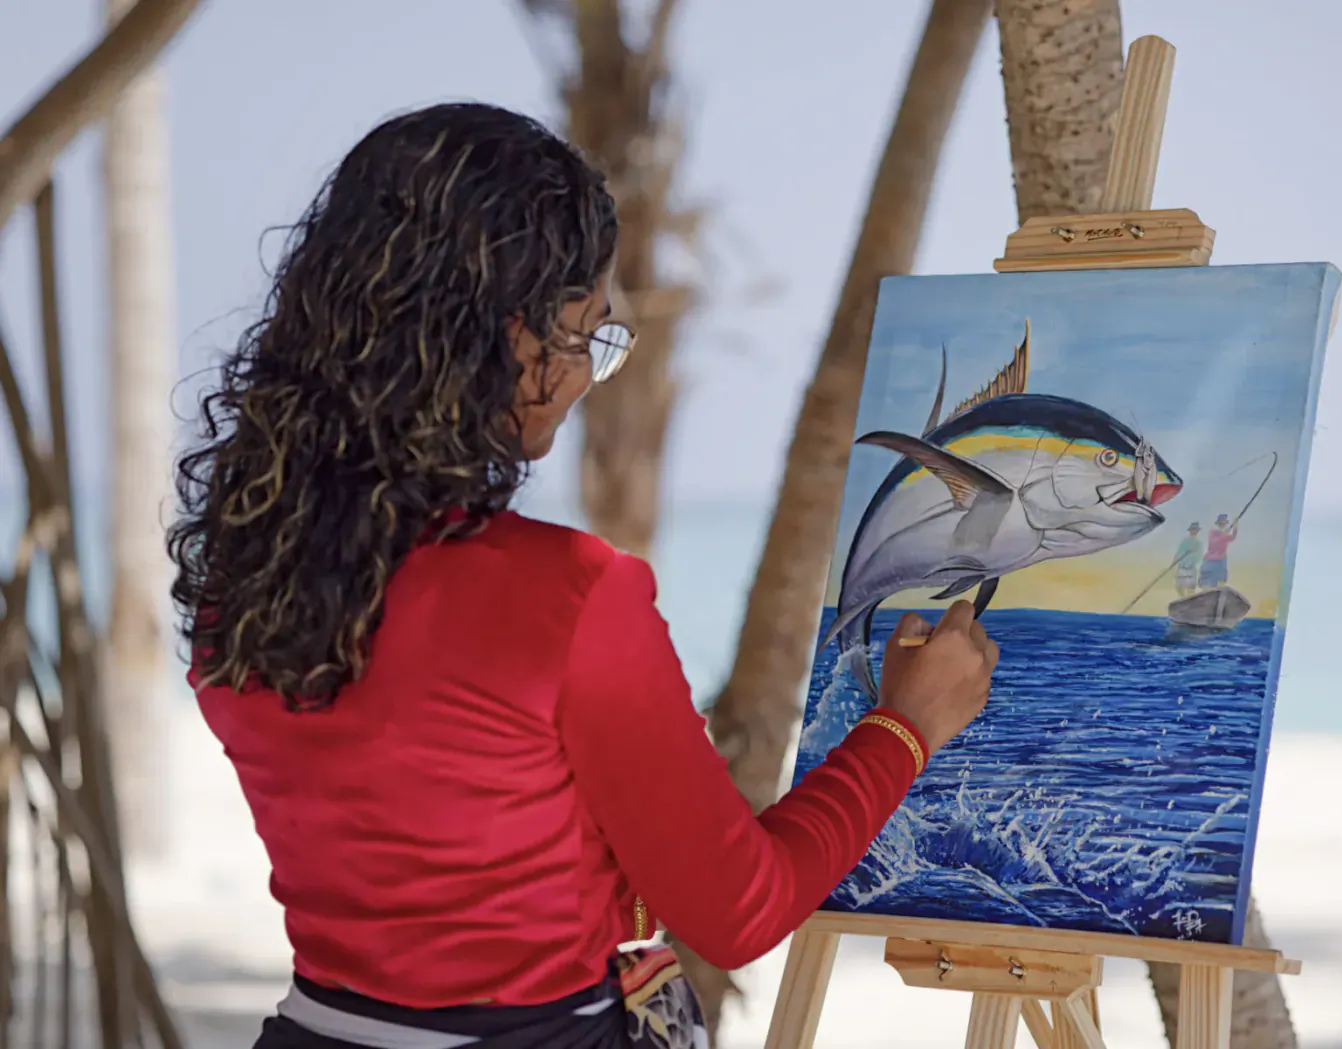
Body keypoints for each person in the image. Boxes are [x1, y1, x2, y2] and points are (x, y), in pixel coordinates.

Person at [167, 103, 999, 1049]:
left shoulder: (244, 581)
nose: (581, 378)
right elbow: (740, 909)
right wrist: (905, 723)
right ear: (515, 340)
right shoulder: (568, 597)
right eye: (587, 335)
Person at [1200, 513, 1238, 590]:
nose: (1222, 525)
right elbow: (1213, 542)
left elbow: (1232, 538)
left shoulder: (1226, 535)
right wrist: (1222, 535)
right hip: (1211, 558)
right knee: (1206, 577)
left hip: (1221, 559)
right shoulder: (1213, 532)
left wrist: (1235, 526)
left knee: (1220, 579)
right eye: (1221, 523)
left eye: (1223, 523)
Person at [1174, 522, 1203, 597]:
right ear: (1190, 530)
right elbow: (1179, 551)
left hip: (1191, 567)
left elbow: (1199, 555)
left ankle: (1189, 599)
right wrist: (1176, 559)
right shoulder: (1184, 541)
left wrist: (1192, 559)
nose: (1194, 531)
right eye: (1193, 530)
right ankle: (1182, 597)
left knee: (1191, 587)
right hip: (1182, 566)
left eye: (1195, 530)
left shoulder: (1198, 543)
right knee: (1179, 586)